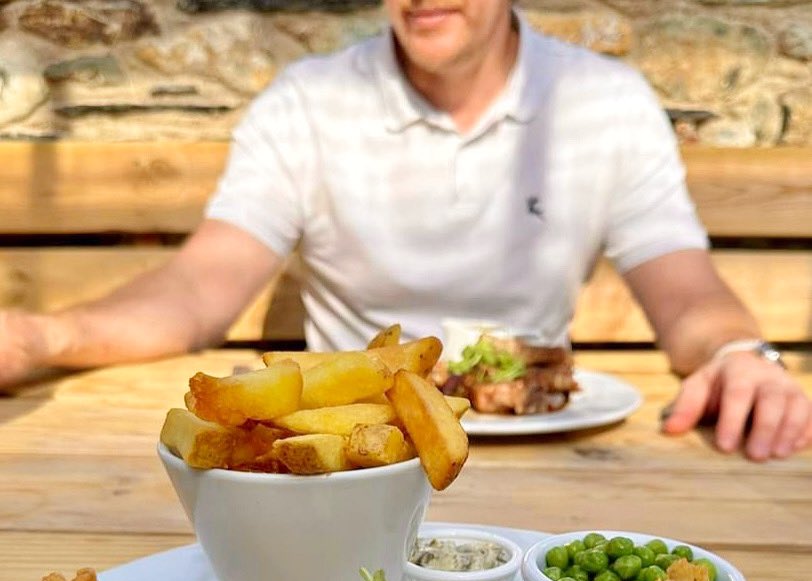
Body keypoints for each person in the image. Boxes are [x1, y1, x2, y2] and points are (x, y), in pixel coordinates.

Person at [1, 0, 809, 461]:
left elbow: (686, 292)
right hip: (351, 465)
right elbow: (198, 287)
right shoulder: (307, 101)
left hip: (543, 451)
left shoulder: (607, 102)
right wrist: (40, 337)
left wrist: (742, 355)